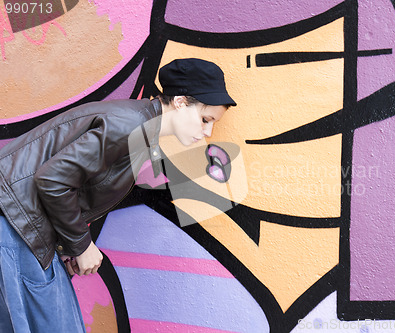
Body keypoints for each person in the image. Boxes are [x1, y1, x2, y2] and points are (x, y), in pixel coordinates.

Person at [0, 58, 236, 332]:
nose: (207, 133)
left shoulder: (139, 124)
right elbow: (52, 181)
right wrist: (82, 246)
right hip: (15, 224)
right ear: (181, 102)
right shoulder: (131, 126)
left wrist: (70, 246)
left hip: (22, 224)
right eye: (205, 120)